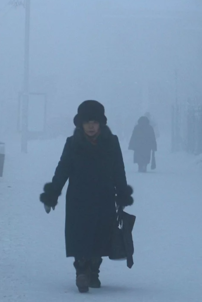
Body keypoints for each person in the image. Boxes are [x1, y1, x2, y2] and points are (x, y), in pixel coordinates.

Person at [39, 100, 134, 293]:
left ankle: (94, 272)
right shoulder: (72, 143)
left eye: (95, 122)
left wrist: (122, 194)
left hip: (104, 198)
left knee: (100, 237)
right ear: (80, 124)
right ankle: (81, 272)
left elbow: (119, 170)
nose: (91, 126)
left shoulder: (111, 142)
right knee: (81, 236)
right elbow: (62, 170)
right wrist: (52, 193)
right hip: (78, 200)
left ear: (101, 123)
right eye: (87, 122)